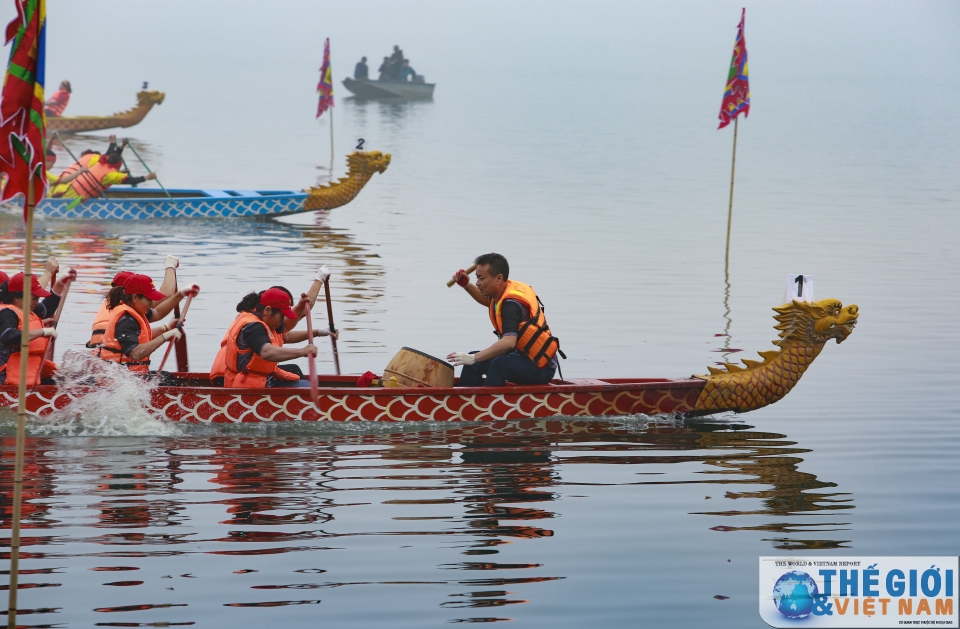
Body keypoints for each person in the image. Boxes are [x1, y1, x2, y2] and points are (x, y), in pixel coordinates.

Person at [447, 253, 563, 387]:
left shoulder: (511, 305)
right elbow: (487, 301)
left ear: (498, 278)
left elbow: (509, 342)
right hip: (521, 358)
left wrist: (473, 359)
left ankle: (487, 404)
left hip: (540, 367)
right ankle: (465, 401)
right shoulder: (501, 292)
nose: (477, 283)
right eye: (477, 278)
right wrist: (466, 285)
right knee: (475, 361)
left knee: (497, 364)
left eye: (481, 278)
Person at [218, 286, 336, 388]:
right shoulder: (253, 327)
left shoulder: (262, 318)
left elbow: (286, 337)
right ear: (268, 310)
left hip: (255, 377)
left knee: (294, 370)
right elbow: (267, 352)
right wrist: (302, 351)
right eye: (281, 317)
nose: (283, 322)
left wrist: (319, 332)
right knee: (305, 387)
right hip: (243, 386)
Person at [97, 273, 199, 378]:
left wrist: (181, 294)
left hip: (131, 377)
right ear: (135, 297)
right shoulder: (126, 320)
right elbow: (135, 353)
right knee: (169, 380)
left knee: (168, 377)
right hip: (118, 381)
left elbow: (158, 312)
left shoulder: (136, 310)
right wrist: (165, 336)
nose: (151, 304)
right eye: (149, 299)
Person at [0, 270, 76, 386]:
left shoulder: (26, 309)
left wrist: (60, 283)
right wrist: (43, 331)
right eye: (34, 299)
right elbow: (8, 336)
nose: (37, 302)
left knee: (80, 380)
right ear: (17, 298)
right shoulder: (7, 313)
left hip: (24, 373)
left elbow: (47, 308)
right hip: (4, 378)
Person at [87, 256, 182, 349]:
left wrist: (166, 328)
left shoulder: (114, 304)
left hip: (100, 357)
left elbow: (155, 317)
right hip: (113, 361)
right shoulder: (127, 309)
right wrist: (170, 266)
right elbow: (167, 294)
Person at [50, 135, 157, 201]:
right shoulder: (111, 174)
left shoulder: (101, 162)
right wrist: (147, 177)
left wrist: (120, 145)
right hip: (76, 196)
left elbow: (110, 154)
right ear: (117, 165)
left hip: (67, 186)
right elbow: (130, 180)